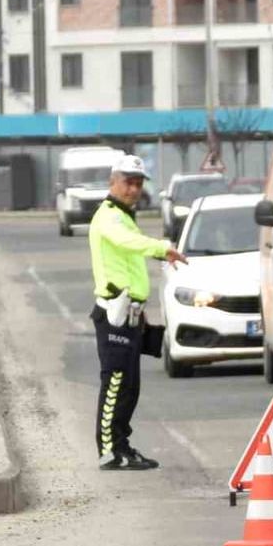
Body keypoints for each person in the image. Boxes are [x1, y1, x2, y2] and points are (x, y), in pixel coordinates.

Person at [88, 155, 187, 470]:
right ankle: (109, 451)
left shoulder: (125, 215)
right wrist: (160, 248)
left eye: (138, 183)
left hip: (130, 312)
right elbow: (125, 241)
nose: (133, 189)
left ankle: (122, 446)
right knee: (116, 382)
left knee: (130, 386)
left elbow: (127, 262)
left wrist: (141, 313)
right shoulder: (109, 216)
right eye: (127, 182)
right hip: (114, 312)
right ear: (113, 181)